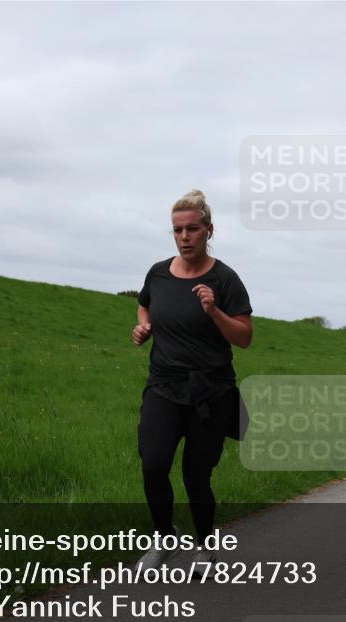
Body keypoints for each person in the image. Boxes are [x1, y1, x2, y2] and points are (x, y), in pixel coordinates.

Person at [132, 189, 253, 573]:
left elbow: (244, 337)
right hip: (164, 384)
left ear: (208, 231)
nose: (184, 237)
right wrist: (144, 327)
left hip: (210, 392)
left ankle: (205, 548)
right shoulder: (157, 273)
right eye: (178, 230)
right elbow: (145, 304)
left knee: (196, 475)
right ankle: (164, 537)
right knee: (153, 464)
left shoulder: (225, 279)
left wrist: (214, 310)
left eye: (193, 229)